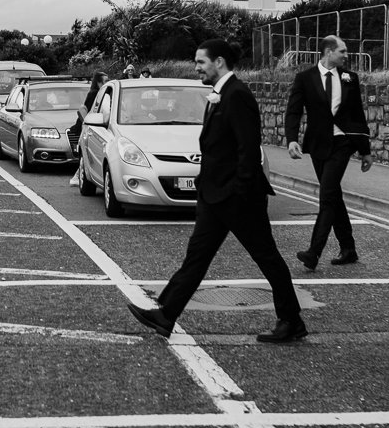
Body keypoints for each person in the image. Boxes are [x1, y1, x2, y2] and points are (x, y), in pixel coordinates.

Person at [128, 38, 309, 344]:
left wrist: (238, 191)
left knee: (268, 258)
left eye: (201, 61)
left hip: (238, 199)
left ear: (219, 62)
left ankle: (291, 320)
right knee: (196, 257)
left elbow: (248, 149)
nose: (196, 66)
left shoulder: (237, 95)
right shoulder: (220, 94)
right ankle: (166, 313)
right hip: (214, 197)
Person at [284, 34, 371, 269]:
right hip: (319, 144)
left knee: (327, 194)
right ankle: (348, 248)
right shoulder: (305, 78)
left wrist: (365, 150)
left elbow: (357, 115)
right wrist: (292, 140)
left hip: (343, 143)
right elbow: (293, 111)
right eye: (342, 51)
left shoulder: (350, 78)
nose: (346, 55)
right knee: (333, 195)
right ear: (329, 52)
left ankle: (314, 252)